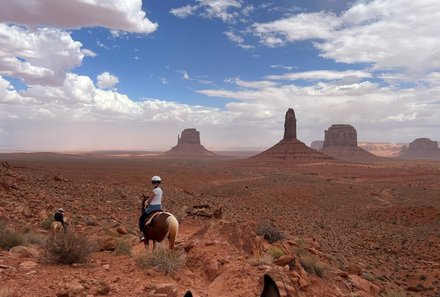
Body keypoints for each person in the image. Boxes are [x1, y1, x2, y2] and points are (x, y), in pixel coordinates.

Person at [139, 175, 163, 241]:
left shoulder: (155, 190)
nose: (154, 184)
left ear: (158, 183)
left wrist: (147, 203)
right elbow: (161, 200)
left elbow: (149, 200)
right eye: (153, 182)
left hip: (152, 207)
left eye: (155, 182)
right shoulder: (160, 190)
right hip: (159, 207)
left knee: (141, 219)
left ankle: (143, 234)